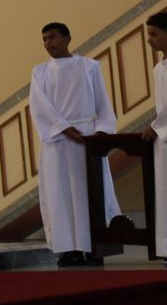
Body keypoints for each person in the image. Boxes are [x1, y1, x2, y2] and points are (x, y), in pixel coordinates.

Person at [30, 22, 121, 267]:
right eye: (45, 39)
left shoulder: (89, 67)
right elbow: (40, 108)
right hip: (58, 142)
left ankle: (94, 246)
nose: (48, 43)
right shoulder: (39, 72)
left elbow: (103, 103)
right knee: (60, 194)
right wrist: (65, 129)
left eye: (53, 37)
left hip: (88, 140)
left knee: (90, 193)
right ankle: (68, 248)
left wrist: (101, 132)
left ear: (67, 38)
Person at [143, 11, 167, 263]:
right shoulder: (158, 68)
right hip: (164, 140)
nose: (149, 40)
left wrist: (156, 125)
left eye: (154, 34)